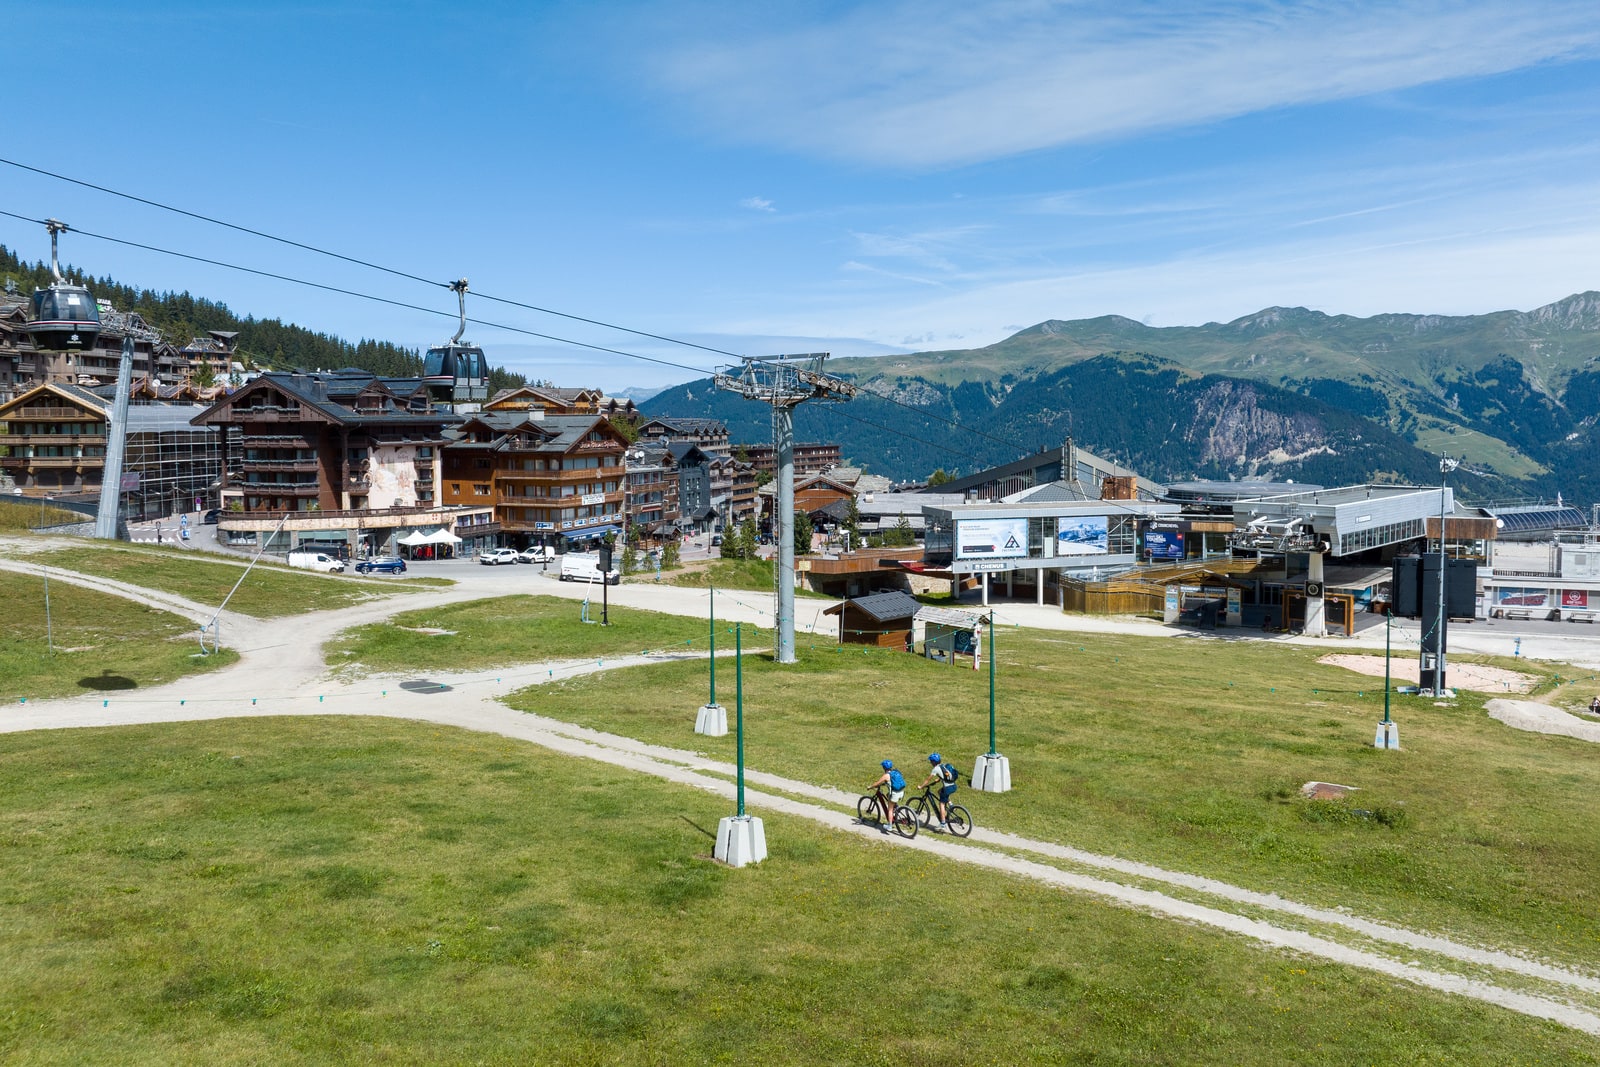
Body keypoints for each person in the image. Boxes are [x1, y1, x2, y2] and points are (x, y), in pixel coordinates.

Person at [920, 753, 958, 830]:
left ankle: (943, 824)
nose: (930, 763)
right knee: (940, 791)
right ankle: (951, 805)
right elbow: (946, 775)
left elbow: (928, 780)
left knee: (941, 804)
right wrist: (938, 779)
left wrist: (921, 786)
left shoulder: (935, 769)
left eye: (931, 761)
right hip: (953, 786)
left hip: (947, 788)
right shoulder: (943, 765)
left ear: (933, 762)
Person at [868, 759, 905, 831]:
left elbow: (877, 783)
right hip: (901, 792)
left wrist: (870, 787)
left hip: (895, 794)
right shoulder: (895, 772)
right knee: (888, 795)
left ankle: (890, 826)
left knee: (890, 809)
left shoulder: (886, 776)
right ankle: (896, 807)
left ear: (884, 768)